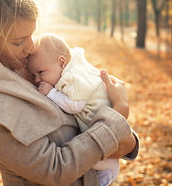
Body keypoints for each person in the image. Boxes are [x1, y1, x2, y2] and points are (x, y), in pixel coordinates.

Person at [0, 0, 139, 185]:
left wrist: (126, 136)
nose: (31, 47)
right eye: (18, 41)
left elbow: (86, 106)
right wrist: (118, 116)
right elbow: (54, 170)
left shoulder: (32, 61)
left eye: (31, 36)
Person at [27, 33, 125, 186]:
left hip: (103, 129)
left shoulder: (73, 76)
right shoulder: (70, 68)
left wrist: (51, 93)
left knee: (97, 165)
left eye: (40, 72)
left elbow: (75, 106)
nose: (37, 79)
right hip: (103, 130)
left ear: (61, 62)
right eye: (33, 74)